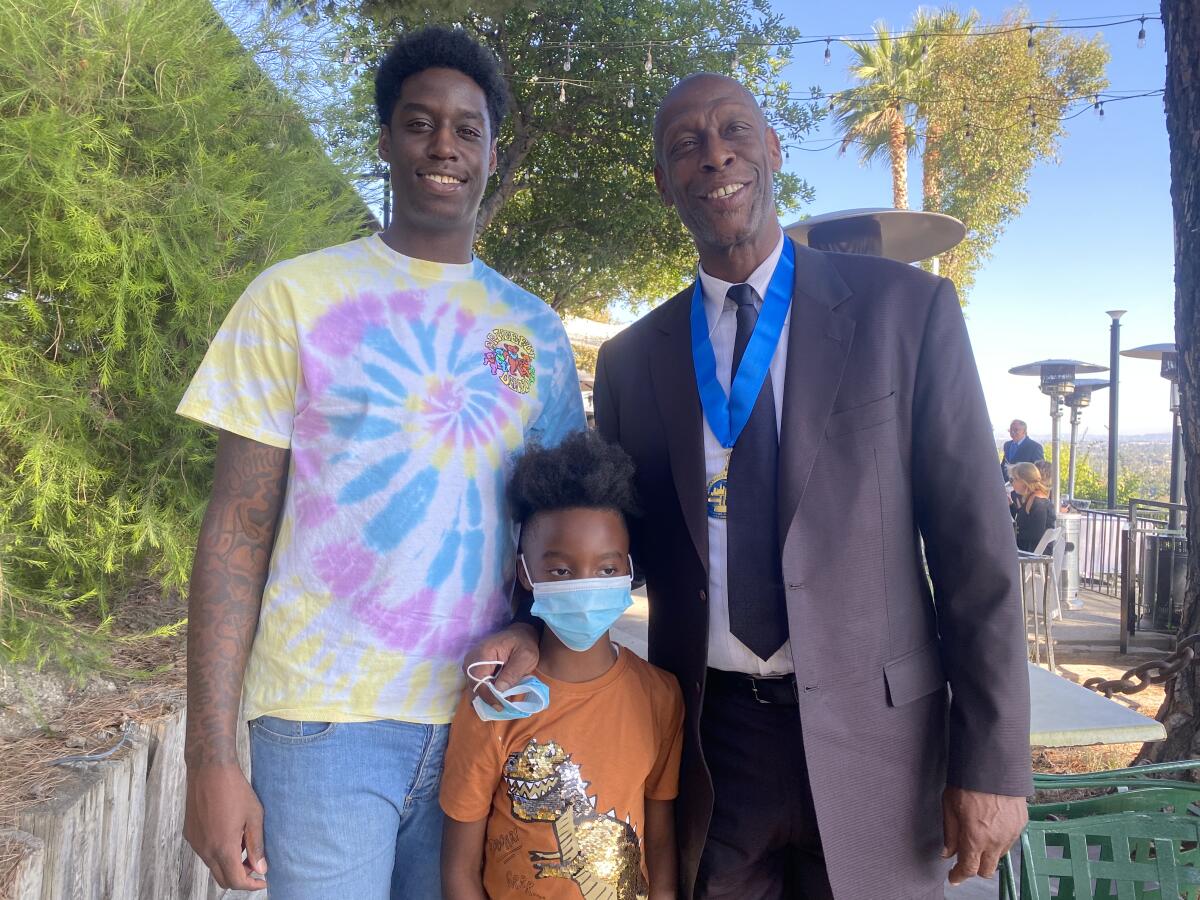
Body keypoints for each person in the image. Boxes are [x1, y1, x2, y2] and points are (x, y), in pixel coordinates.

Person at [588, 73, 1031, 898]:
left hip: (882, 744)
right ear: (663, 180)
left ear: (773, 150)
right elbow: (610, 553)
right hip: (712, 746)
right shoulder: (632, 360)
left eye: (733, 131)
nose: (713, 153)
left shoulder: (908, 312)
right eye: (685, 143)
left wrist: (994, 763)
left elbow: (976, 557)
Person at [176, 26, 584, 898]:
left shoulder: (536, 334)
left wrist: (535, 635)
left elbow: (557, 539)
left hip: (487, 721)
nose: (444, 145)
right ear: (385, 141)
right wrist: (208, 756)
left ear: (491, 152)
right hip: (321, 727)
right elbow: (236, 532)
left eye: (466, 129)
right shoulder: (293, 297)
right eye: (419, 123)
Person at [440, 431, 684, 900]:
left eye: (607, 569)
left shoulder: (660, 697)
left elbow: (661, 847)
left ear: (629, 571)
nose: (585, 583)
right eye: (561, 571)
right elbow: (459, 873)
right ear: (525, 573)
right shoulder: (495, 704)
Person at [1011, 462, 1057, 553]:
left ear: (1025, 481)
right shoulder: (1032, 498)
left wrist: (1011, 535)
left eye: (1015, 479)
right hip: (1027, 553)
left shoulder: (1039, 503)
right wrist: (1012, 506)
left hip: (1033, 558)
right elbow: (1025, 521)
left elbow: (1036, 534)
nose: (1012, 482)